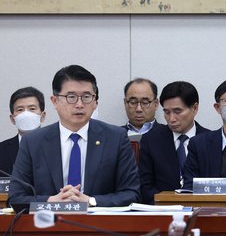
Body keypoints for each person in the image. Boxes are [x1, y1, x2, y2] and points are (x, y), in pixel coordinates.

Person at [8, 65, 140, 207]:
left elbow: (132, 193)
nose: (79, 104)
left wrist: (90, 201)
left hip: (98, 225)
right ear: (55, 101)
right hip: (48, 225)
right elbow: (16, 198)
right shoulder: (33, 142)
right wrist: (51, 201)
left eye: (86, 97)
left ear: (95, 102)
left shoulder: (116, 138)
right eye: (71, 97)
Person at [139, 81, 210, 204]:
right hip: (162, 212)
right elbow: (145, 186)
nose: (171, 119)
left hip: (202, 211)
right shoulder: (151, 140)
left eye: (177, 111)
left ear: (195, 108)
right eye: (167, 112)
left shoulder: (210, 140)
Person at [0, 87, 46, 175]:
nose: (26, 114)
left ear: (42, 116)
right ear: (12, 119)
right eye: (20, 110)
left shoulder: (58, 147)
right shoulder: (2, 150)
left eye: (32, 109)